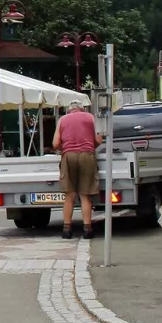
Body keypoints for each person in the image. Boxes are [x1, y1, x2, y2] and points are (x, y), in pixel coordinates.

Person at [51, 100, 101, 239]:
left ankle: (67, 230)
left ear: (69, 109)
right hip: (87, 155)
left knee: (69, 195)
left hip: (69, 156)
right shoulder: (91, 117)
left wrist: (66, 149)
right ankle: (87, 229)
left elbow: (55, 144)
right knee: (85, 195)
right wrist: (89, 146)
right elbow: (99, 139)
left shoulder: (62, 120)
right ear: (82, 108)